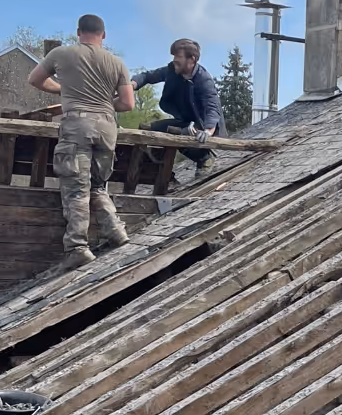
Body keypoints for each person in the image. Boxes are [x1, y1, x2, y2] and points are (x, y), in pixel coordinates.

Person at [28, 15, 135, 268]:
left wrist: (61, 89)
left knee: (77, 189)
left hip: (77, 127)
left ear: (78, 32)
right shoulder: (117, 63)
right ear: (104, 35)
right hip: (107, 128)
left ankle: (77, 247)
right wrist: (106, 104)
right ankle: (116, 232)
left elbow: (34, 79)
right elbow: (128, 103)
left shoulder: (61, 54)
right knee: (97, 185)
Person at [131, 38, 224, 172]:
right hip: (184, 121)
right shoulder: (172, 70)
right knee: (151, 132)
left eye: (178, 56)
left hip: (202, 126)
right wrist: (132, 84)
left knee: (182, 133)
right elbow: (148, 76)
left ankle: (204, 159)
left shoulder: (204, 79)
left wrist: (208, 131)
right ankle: (164, 174)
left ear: (192, 59)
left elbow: (212, 107)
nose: (175, 60)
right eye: (174, 56)